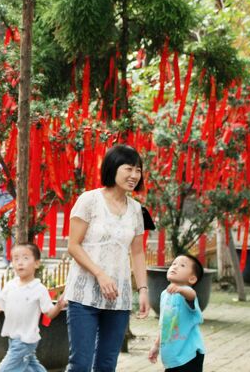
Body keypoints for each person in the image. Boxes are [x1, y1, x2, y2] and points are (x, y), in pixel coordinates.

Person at [64, 144, 150, 371]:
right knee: (80, 364)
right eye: (128, 169)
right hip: (84, 295)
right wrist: (100, 274)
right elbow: (73, 245)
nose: (134, 175)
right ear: (113, 167)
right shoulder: (89, 200)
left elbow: (138, 252)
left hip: (118, 299)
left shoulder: (137, 210)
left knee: (107, 364)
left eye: (138, 170)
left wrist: (143, 290)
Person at [0, 243, 67, 372]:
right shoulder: (10, 286)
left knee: (4, 369)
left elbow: (49, 313)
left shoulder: (39, 289)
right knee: (31, 365)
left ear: (37, 263)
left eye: (25, 258)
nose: (20, 262)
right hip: (13, 338)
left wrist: (59, 306)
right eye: (16, 259)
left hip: (25, 340)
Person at [148, 254, 206, 372]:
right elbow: (165, 324)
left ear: (192, 279)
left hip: (189, 356)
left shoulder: (187, 293)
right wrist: (156, 345)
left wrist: (181, 289)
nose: (175, 267)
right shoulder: (165, 294)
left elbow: (191, 295)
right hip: (172, 357)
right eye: (173, 264)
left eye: (182, 265)